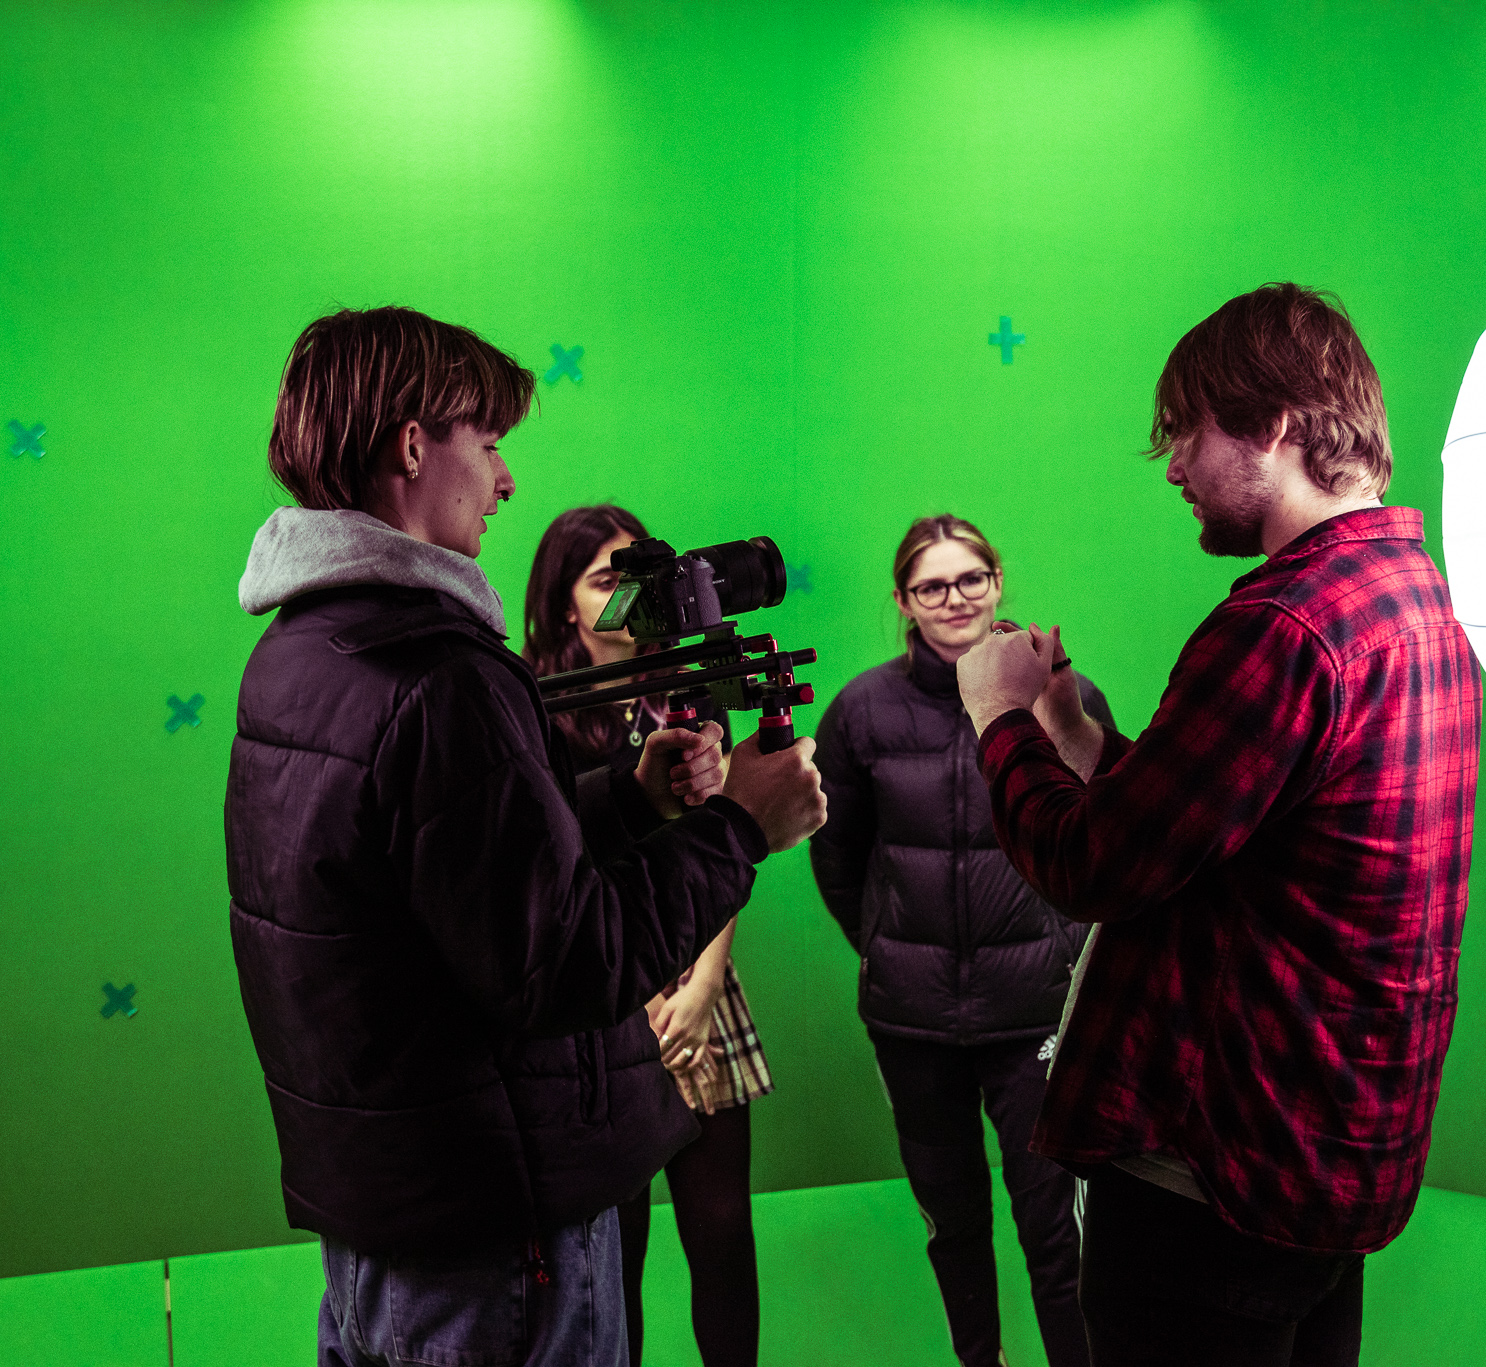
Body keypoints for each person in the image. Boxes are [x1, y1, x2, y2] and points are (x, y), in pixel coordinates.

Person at [223, 307, 826, 1367]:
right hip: (496, 1234)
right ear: (415, 445)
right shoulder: (442, 673)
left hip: (388, 1217)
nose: (505, 480)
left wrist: (630, 802)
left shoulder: (301, 650)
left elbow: (432, 876)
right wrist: (741, 822)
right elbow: (563, 962)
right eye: (489, 443)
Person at [957, 284, 1482, 1367]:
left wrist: (995, 711)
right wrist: (1068, 724)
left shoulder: (1283, 622)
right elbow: (1221, 836)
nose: (1173, 468)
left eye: (1185, 434)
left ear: (1277, 425)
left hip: (1216, 1177)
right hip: (1330, 1161)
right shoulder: (1408, 594)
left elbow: (1092, 863)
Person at [810, 514, 1109, 1367]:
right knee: (955, 1226)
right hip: (915, 1023)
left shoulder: (1063, 697)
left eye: (970, 578)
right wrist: (883, 944)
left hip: (1035, 1019)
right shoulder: (861, 711)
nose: (954, 598)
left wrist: (1060, 950)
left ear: (998, 580)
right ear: (904, 601)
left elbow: (1101, 835)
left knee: (1058, 1233)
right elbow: (837, 852)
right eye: (932, 585)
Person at [523, 504, 772, 1367]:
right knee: (611, 1256)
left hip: (701, 979)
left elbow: (727, 841)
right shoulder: (535, 711)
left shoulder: (696, 686)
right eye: (607, 581)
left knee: (722, 1236)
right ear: (563, 605)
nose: (636, 600)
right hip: (603, 992)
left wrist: (701, 989)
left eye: (645, 579)